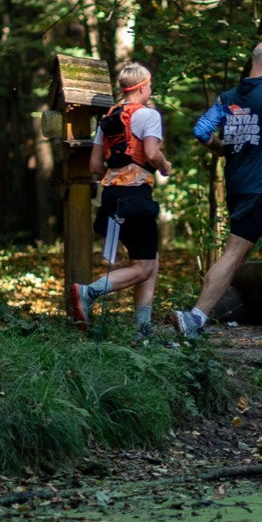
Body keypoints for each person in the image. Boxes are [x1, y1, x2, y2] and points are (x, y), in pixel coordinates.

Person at [173, 40, 262, 343]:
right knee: (235, 255)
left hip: (240, 185)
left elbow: (200, 130)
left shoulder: (228, 97)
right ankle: (195, 318)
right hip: (257, 189)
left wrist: (219, 148)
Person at [69, 61, 172, 335]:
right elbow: (150, 153)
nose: (151, 89)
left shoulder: (107, 119)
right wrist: (164, 165)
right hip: (136, 197)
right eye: (149, 85)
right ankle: (89, 292)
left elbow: (94, 166)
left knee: (148, 259)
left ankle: (143, 329)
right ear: (141, 87)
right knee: (145, 266)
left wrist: (116, 171)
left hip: (111, 197)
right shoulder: (149, 116)